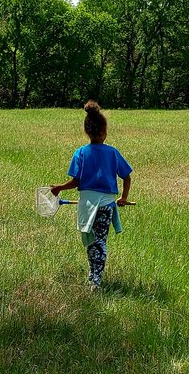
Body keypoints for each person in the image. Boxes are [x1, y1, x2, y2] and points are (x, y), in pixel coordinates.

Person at [49, 101, 133, 290]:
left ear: (87, 131)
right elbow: (127, 176)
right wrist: (124, 198)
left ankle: (94, 278)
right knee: (100, 240)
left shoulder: (81, 152)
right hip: (105, 206)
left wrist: (59, 188)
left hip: (87, 205)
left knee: (91, 240)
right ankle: (95, 278)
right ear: (104, 130)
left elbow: (76, 182)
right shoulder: (112, 152)